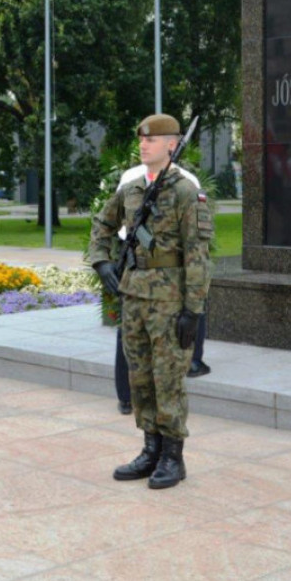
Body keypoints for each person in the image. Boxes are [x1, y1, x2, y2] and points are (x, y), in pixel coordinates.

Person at [88, 114, 212, 489]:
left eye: (152, 140)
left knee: (167, 378)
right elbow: (102, 224)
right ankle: (150, 449)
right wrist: (101, 261)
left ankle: (173, 457)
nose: (143, 145)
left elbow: (198, 256)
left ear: (172, 145)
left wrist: (193, 311)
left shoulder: (186, 192)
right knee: (140, 377)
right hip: (135, 296)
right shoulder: (132, 189)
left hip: (170, 301)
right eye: (141, 139)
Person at [111, 162, 212, 414]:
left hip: (134, 261)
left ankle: (127, 397)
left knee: (131, 330)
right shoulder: (187, 179)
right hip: (160, 266)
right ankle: (192, 363)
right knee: (173, 322)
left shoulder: (130, 175)